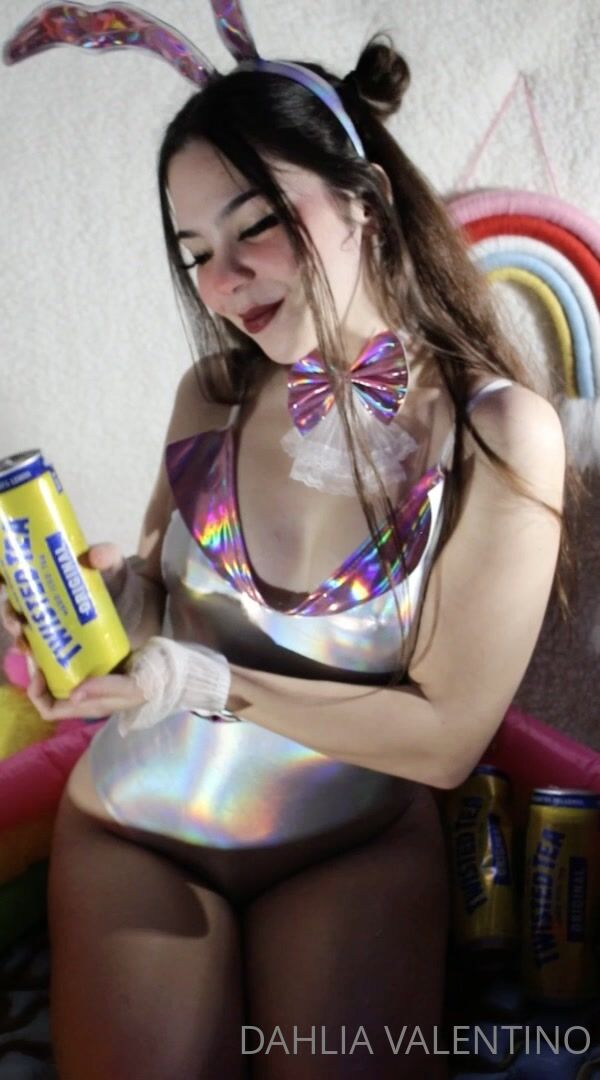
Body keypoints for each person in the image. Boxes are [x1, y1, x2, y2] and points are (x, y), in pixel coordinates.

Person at [1, 24, 565, 1080]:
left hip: (349, 844)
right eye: (194, 255)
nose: (224, 281)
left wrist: (206, 683)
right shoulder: (210, 395)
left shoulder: (495, 435)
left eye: (255, 224)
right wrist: (106, 602)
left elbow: (446, 738)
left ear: (366, 200)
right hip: (138, 829)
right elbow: (161, 604)